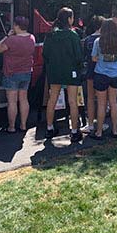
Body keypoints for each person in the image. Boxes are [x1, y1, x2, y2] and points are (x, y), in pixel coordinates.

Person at [42, 7, 84, 142]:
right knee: (72, 101)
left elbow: (45, 54)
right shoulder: (73, 35)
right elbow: (78, 56)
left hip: (54, 71)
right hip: (70, 71)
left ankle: (49, 128)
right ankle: (74, 131)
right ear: (69, 19)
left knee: (52, 99)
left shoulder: (51, 35)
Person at [0, 16, 35, 133]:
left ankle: (12, 127)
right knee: (23, 99)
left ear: (17, 26)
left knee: (12, 101)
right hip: (26, 72)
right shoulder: (31, 38)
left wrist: (7, 36)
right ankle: (23, 125)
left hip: (11, 72)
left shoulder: (11, 40)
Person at [92, 18, 117, 139]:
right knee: (113, 102)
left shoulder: (98, 41)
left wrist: (102, 58)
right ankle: (115, 130)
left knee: (101, 104)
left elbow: (93, 58)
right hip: (115, 74)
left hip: (101, 74)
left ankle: (99, 132)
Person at [81, 16, 103, 133]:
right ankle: (101, 123)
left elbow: (84, 56)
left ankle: (89, 124)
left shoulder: (88, 40)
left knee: (90, 98)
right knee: (102, 100)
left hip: (90, 71)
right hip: (103, 73)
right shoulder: (106, 40)